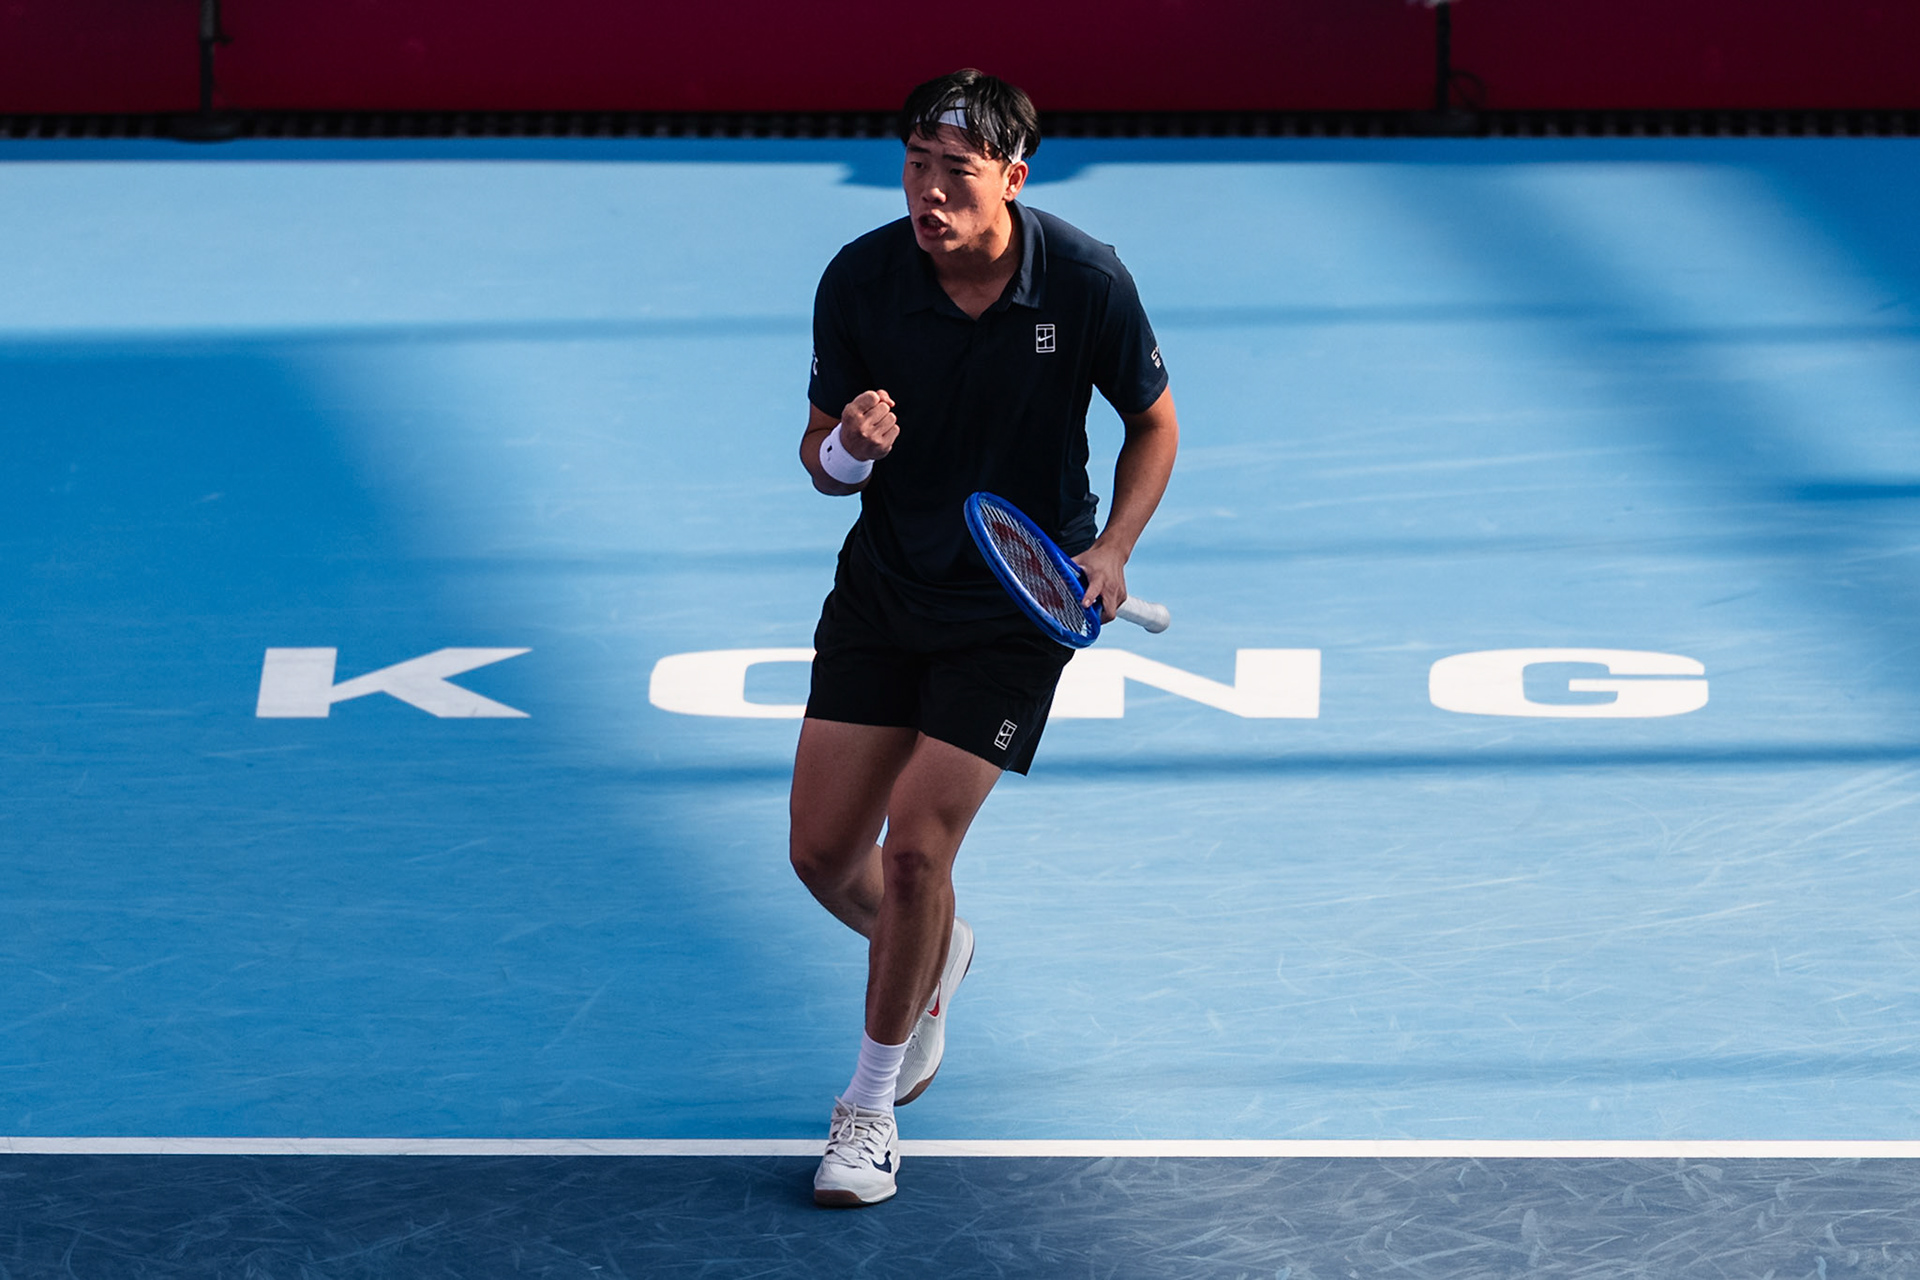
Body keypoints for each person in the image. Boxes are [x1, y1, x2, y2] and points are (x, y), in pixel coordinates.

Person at [790, 68, 1179, 1207]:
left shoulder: (1088, 279)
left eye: (954, 171)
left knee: (916, 849)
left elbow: (1152, 424)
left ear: (1014, 176)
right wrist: (854, 448)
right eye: (914, 165)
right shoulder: (862, 280)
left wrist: (1109, 550)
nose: (927, 191)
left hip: (1016, 609)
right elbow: (819, 461)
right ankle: (936, 950)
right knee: (822, 854)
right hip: (886, 589)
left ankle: (865, 1110)